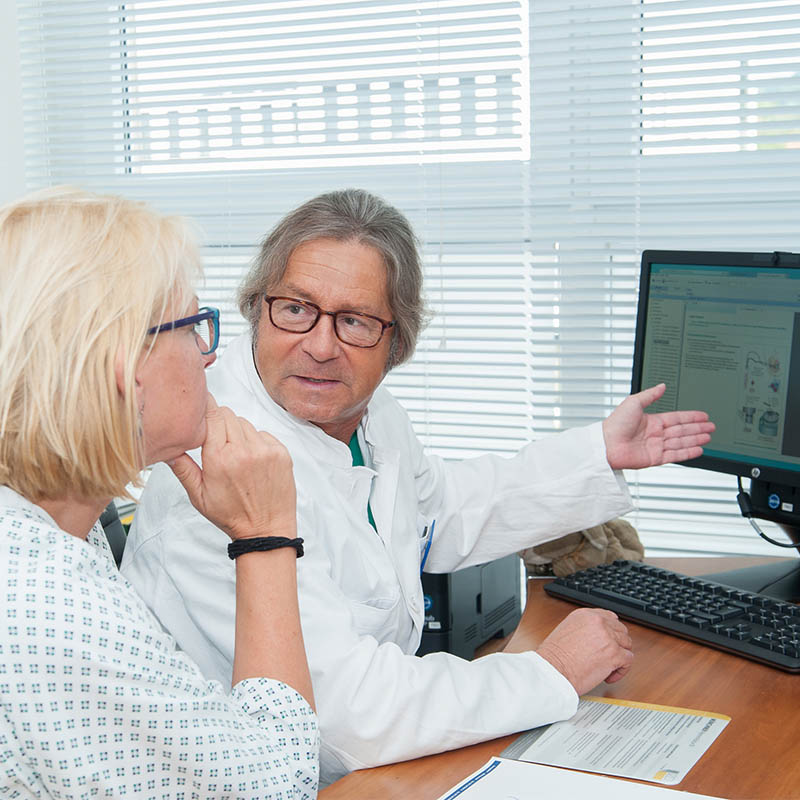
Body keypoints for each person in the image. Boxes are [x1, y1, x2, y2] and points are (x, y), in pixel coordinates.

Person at [122, 189, 714, 785]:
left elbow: (439, 511)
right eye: (296, 309)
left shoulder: (364, 412)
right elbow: (348, 712)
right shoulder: (214, 470)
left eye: (353, 321)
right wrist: (552, 669)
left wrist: (598, 452)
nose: (321, 346)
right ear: (257, 307)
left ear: (396, 341)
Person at [0, 187, 319, 798]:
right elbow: (278, 789)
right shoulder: (49, 598)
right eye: (194, 325)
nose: (210, 354)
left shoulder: (62, 525)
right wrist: (265, 537)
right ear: (123, 366)